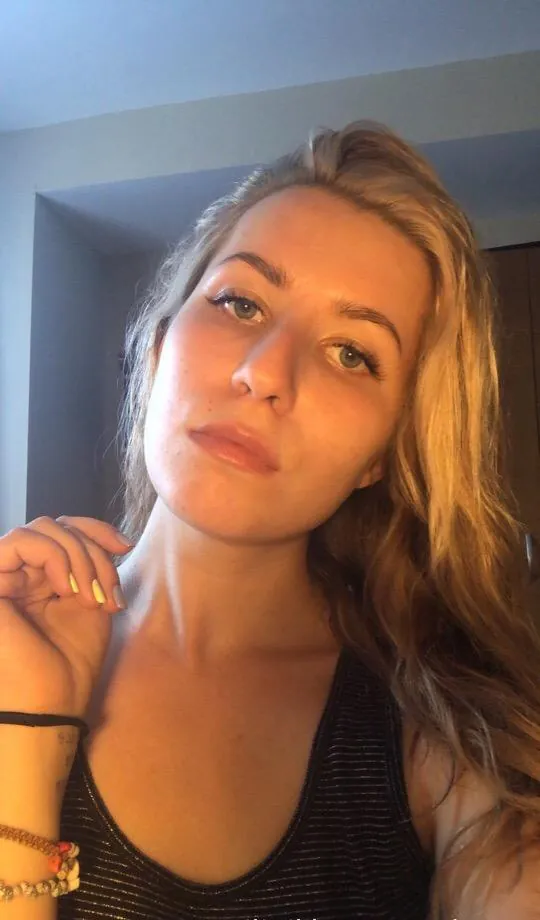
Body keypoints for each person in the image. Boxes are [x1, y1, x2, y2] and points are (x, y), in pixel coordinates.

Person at [1, 120, 539, 920]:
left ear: (382, 454)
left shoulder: (449, 746)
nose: (265, 374)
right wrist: (21, 732)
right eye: (241, 302)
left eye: (352, 353)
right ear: (157, 349)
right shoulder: (7, 646)